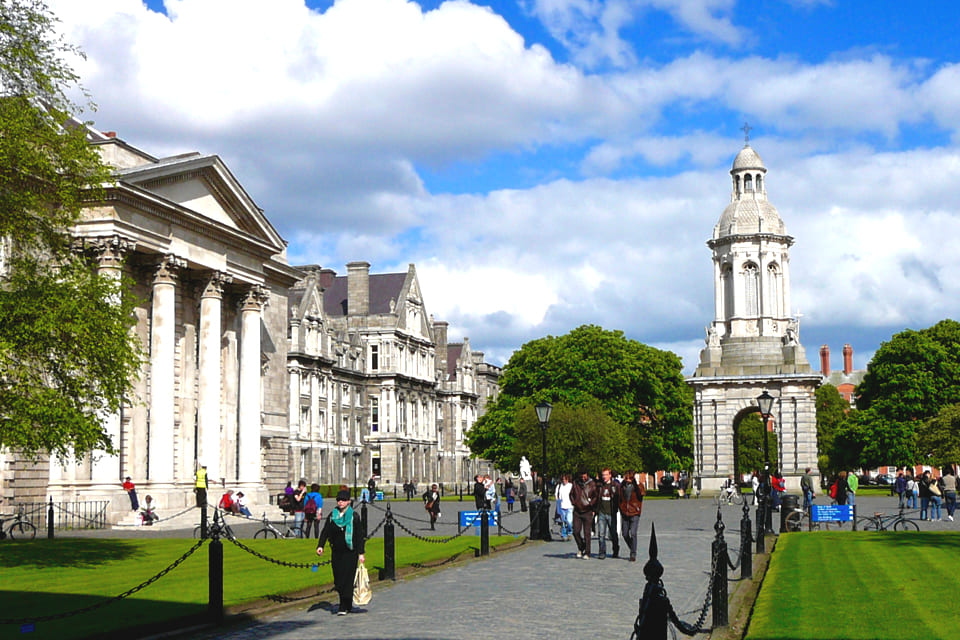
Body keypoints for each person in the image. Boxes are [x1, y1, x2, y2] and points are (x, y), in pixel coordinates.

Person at [317, 490, 366, 615]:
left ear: (348, 501)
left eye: (343, 500)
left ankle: (343, 606)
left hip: (350, 552)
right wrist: (320, 545)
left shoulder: (354, 516)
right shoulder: (332, 516)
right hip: (337, 551)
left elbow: (359, 536)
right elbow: (325, 531)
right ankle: (347, 603)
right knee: (338, 579)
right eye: (338, 500)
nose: (340, 502)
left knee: (347, 579)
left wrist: (361, 553)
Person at [570, 470, 598, 559]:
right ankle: (581, 546)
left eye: (584, 476)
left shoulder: (592, 484)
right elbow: (571, 494)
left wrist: (591, 505)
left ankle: (587, 552)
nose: (583, 478)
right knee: (576, 531)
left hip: (587, 511)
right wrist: (574, 502)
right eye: (581, 476)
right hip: (577, 511)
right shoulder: (575, 483)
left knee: (587, 533)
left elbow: (595, 496)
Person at [618, 470, 645, 562]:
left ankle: (633, 553)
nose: (628, 480)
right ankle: (632, 547)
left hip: (634, 512)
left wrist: (637, 484)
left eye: (630, 478)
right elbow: (619, 497)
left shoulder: (638, 485)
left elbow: (641, 494)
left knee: (633, 533)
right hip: (625, 511)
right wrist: (620, 507)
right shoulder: (622, 485)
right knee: (625, 534)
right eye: (626, 478)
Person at [596, 468, 620, 560]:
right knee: (601, 534)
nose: (604, 477)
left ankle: (615, 550)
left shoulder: (615, 485)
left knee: (613, 533)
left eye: (606, 475)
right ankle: (602, 552)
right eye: (603, 475)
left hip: (611, 513)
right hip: (602, 512)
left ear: (610, 475)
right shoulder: (600, 485)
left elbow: (619, 497)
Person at [555, 473, 574, 541]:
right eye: (563, 479)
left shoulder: (571, 486)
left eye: (565, 479)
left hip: (569, 506)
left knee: (569, 521)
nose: (564, 481)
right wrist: (558, 500)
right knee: (563, 521)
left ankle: (570, 532)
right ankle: (564, 535)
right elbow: (556, 494)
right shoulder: (559, 486)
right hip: (562, 506)